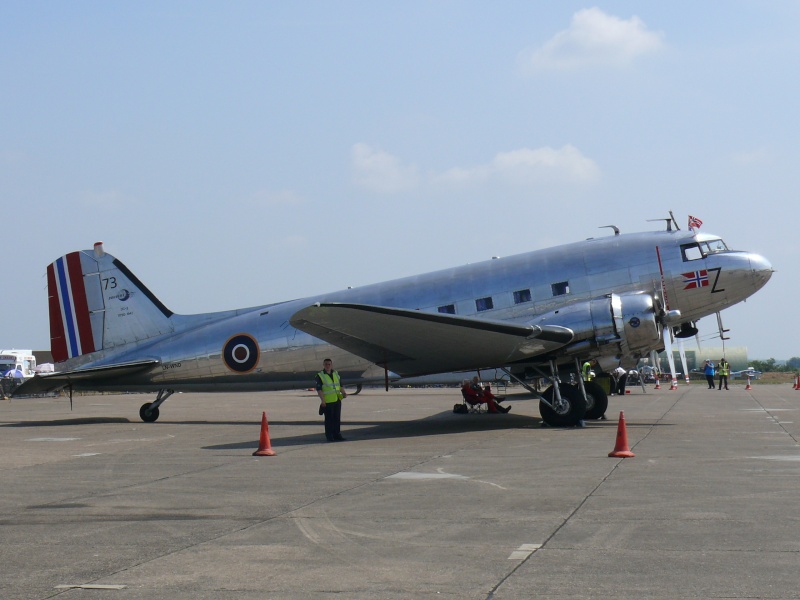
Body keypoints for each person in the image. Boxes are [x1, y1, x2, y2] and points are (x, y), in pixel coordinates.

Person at [316, 358, 347, 442]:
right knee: (329, 420)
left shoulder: (336, 374)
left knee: (336, 418)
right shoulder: (320, 375)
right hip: (328, 401)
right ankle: (329, 436)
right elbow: (319, 389)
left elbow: (340, 385)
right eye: (326, 364)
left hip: (337, 399)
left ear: (331, 365)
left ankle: (337, 434)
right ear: (323, 365)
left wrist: (343, 393)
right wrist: (323, 400)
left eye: (329, 364)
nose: (327, 366)